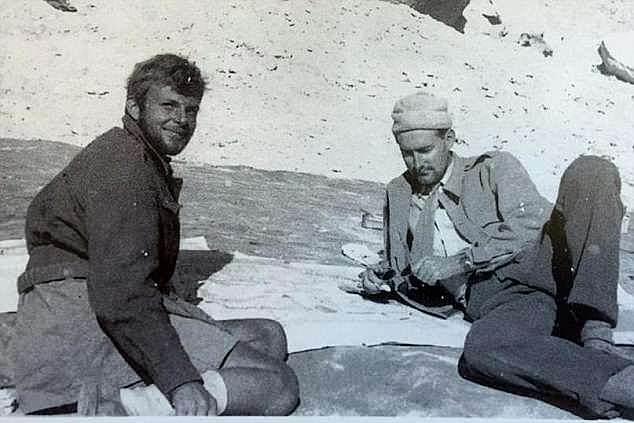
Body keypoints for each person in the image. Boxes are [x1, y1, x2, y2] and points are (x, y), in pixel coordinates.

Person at [12, 53, 299, 416]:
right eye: (168, 105)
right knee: (277, 387)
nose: (181, 120)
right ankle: (126, 407)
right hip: (80, 324)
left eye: (190, 110)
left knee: (268, 336)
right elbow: (121, 294)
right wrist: (181, 381)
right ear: (134, 106)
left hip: (92, 304)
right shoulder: (122, 166)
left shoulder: (139, 157)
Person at [360, 91, 634, 418]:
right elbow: (402, 267)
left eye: (425, 150)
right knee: (483, 350)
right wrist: (380, 276)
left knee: (591, 171)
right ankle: (617, 381)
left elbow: (531, 223)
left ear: (449, 139)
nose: (418, 163)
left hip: (544, 262)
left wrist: (459, 261)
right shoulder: (398, 192)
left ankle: (596, 333)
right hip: (501, 298)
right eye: (407, 154)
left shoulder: (492, 168)